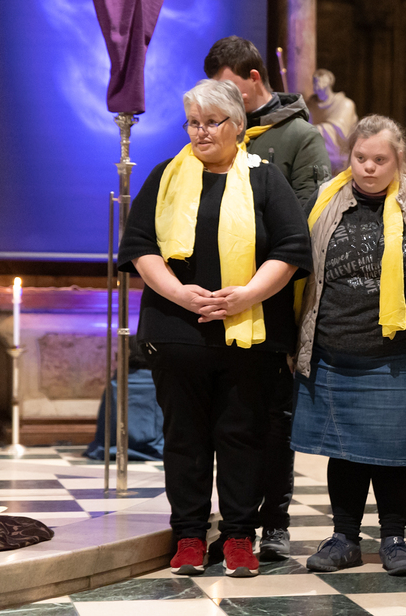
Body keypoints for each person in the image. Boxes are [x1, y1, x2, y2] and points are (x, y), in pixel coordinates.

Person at [118, 79, 310, 578]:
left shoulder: (266, 179)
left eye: (212, 122)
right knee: (184, 439)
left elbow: (291, 248)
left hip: (249, 336)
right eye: (193, 122)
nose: (200, 132)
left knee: (243, 437)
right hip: (177, 331)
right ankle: (187, 536)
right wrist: (180, 293)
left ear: (238, 125)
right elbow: (140, 246)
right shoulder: (165, 176)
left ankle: (239, 537)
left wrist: (247, 295)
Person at [291, 115, 406, 577]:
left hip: (398, 354)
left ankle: (394, 539)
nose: (369, 167)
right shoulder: (325, 199)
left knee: (394, 452)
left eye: (380, 159)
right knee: (344, 451)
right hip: (333, 351)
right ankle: (344, 537)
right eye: (361, 157)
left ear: (398, 160)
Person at [203, 36, 331, 561]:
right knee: (229, 418)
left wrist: (253, 265)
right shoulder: (215, 132)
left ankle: (274, 519)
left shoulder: (299, 136)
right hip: (219, 298)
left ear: (254, 78)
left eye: (229, 89)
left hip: (277, 295)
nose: (220, 103)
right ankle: (234, 520)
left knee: (274, 417)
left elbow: (306, 214)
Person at [205, 36, 331, 208]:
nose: (223, 96)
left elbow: (310, 209)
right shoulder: (220, 129)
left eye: (228, 87)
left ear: (254, 77)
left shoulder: (303, 136)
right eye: (217, 89)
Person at [307, 69, 359, 172]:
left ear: (329, 84)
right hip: (315, 161)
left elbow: (338, 132)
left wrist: (309, 130)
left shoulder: (345, 104)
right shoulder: (310, 105)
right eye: (316, 83)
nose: (318, 86)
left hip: (339, 161)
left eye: (322, 83)